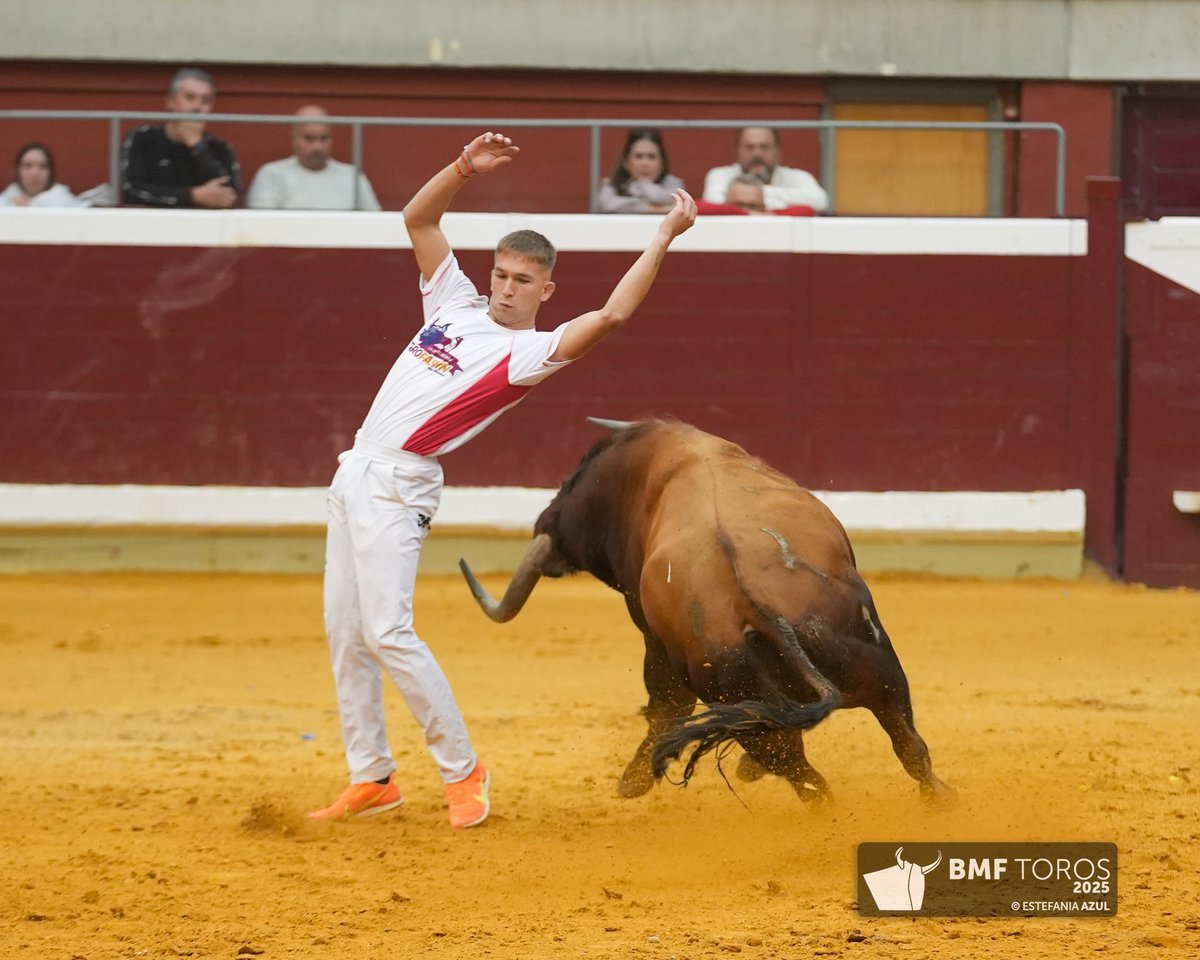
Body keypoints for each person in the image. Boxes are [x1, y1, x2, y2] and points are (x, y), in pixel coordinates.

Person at [309, 131, 696, 829]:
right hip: (356, 470)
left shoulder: (529, 352)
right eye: (502, 275)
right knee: (346, 632)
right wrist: (461, 167)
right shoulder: (452, 304)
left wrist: (664, 235)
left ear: (546, 290)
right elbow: (419, 220)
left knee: (390, 631)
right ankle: (372, 777)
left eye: (523, 281)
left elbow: (613, 314)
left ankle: (464, 771)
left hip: (401, 484)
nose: (508, 289)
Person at [121, 67, 241, 208]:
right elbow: (132, 191)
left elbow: (228, 195)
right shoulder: (142, 138)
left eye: (205, 101)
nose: (197, 107)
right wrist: (193, 195)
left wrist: (197, 145)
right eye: (190, 98)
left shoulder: (220, 148)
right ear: (170, 102)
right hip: (151, 224)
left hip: (203, 226)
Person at [246, 105, 381, 211]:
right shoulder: (272, 175)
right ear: (294, 138)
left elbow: (374, 223)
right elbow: (261, 226)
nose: (318, 147)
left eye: (324, 138)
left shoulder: (352, 176)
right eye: (309, 139)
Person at [702, 126, 828, 213]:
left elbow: (819, 201)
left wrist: (756, 195)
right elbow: (713, 203)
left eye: (764, 147)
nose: (757, 154)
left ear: (778, 152)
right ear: (738, 152)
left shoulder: (798, 176)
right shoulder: (720, 175)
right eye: (749, 147)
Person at [594, 127, 686, 214]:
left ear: (662, 162)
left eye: (651, 157)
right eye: (639, 156)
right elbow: (607, 204)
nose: (645, 163)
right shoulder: (612, 185)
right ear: (626, 162)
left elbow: (681, 206)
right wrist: (652, 208)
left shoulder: (675, 185)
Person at [0, 143, 86, 207]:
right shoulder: (6, 201)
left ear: (50, 172)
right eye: (28, 165)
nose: (35, 173)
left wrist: (33, 205)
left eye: (43, 166)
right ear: (18, 170)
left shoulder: (66, 202)